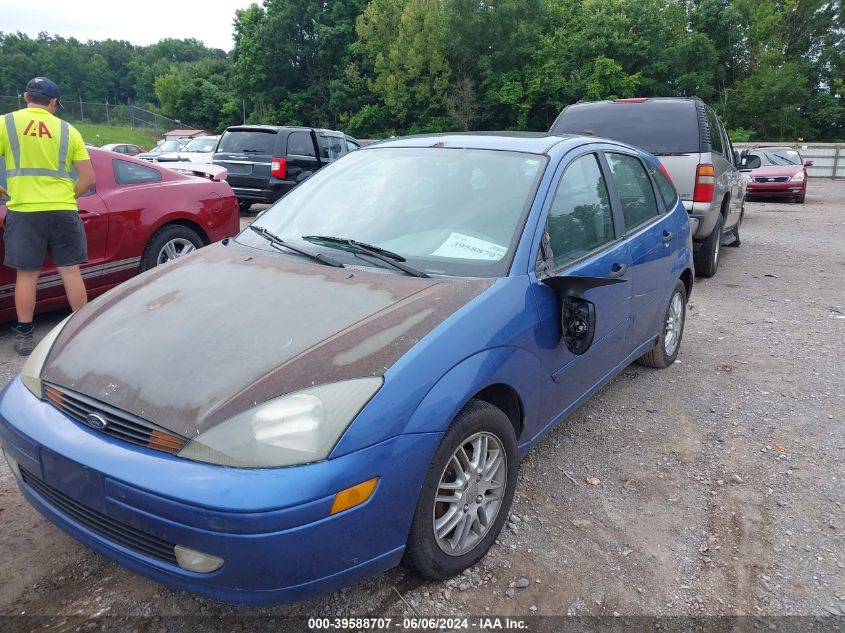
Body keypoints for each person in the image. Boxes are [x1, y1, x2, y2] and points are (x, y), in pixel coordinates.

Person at [0, 77, 94, 356]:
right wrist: (67, 198)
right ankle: (81, 331)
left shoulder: (5, 123)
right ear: (54, 103)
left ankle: (26, 337)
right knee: (70, 271)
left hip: (25, 210)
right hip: (63, 210)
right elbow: (88, 178)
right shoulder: (68, 130)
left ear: (24, 97)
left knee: (27, 276)